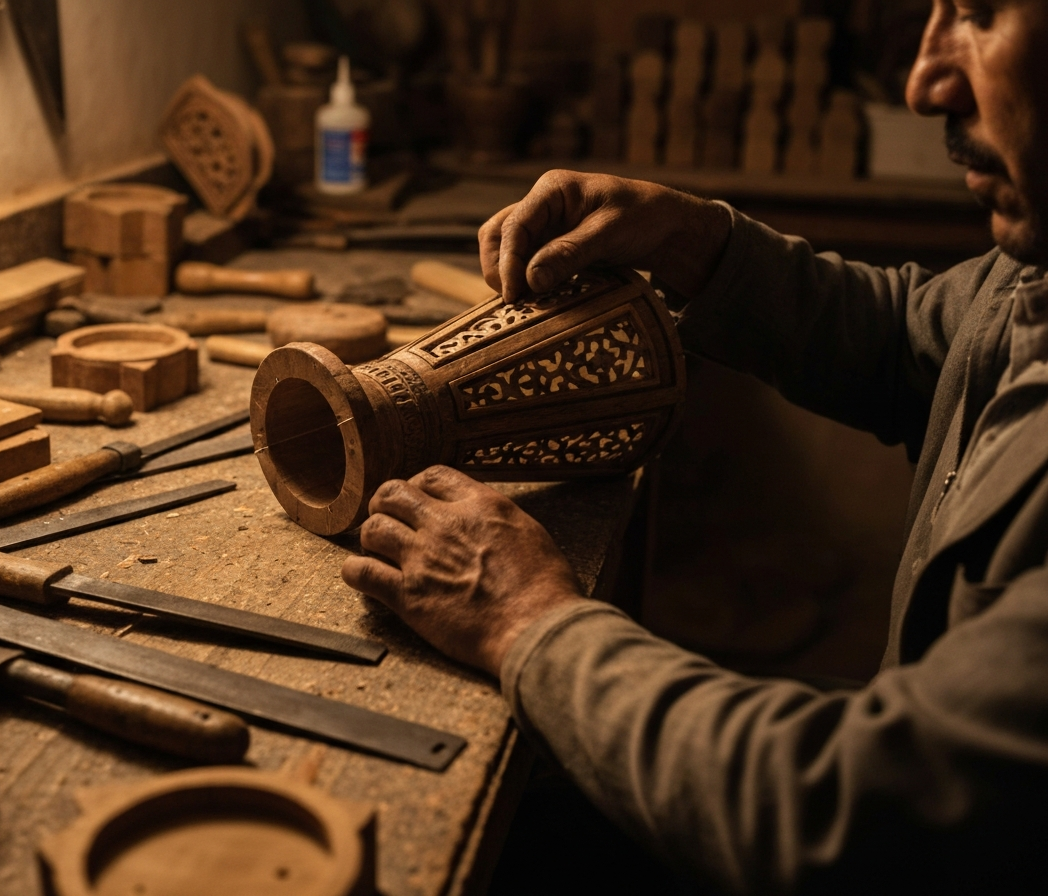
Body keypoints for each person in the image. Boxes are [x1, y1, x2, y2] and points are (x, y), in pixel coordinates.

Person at [341, 1, 1048, 892]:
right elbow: (919, 340)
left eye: (982, 14)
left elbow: (856, 809)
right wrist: (691, 238)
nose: (924, 81)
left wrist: (531, 622)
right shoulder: (1036, 271)